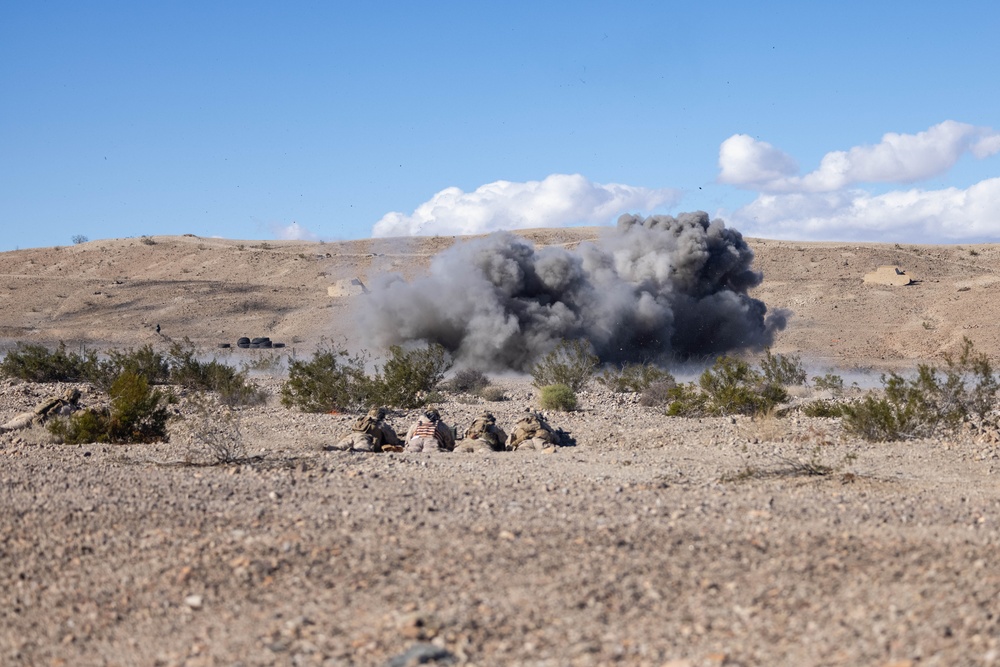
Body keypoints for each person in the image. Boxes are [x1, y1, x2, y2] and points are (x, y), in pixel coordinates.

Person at [331, 407, 402, 453]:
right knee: (362, 450)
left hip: (350, 436)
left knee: (338, 447)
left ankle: (326, 448)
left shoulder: (361, 420)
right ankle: (352, 451)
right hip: (364, 438)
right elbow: (393, 440)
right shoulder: (381, 424)